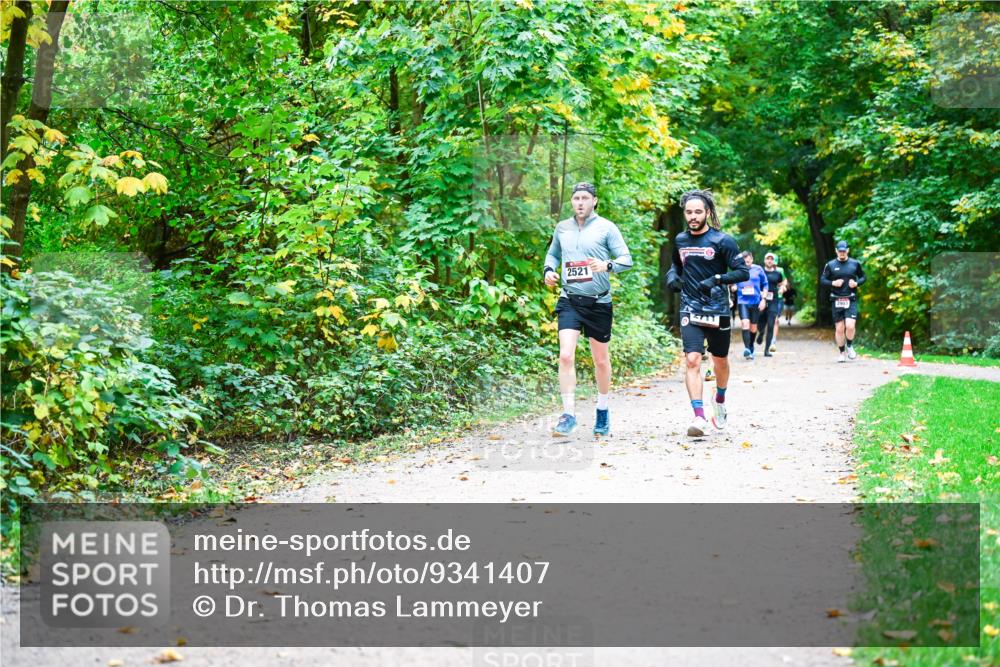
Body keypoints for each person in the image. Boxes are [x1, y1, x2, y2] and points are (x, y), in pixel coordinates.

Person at [544, 182, 633, 436]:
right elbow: (552, 255)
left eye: (584, 198)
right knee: (565, 356)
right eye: (575, 198)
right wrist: (549, 270)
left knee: (601, 361)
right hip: (570, 300)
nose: (579, 202)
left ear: (594, 201)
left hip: (599, 302)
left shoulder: (607, 228)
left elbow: (627, 260)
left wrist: (607, 265)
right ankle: (568, 414)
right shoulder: (563, 228)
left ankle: (602, 411)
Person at [666, 189, 749, 437]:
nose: (693, 216)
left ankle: (720, 398)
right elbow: (676, 265)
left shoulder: (722, 241)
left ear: (707, 213)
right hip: (690, 307)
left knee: (720, 360)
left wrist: (717, 279)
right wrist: (672, 276)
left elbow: (742, 272)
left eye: (698, 212)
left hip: (717, 309)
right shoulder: (681, 240)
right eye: (689, 212)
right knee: (692, 359)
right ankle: (698, 416)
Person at [820, 240, 866, 362]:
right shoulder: (830, 265)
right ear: (836, 251)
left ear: (847, 250)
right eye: (840, 251)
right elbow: (823, 279)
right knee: (839, 329)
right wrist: (833, 283)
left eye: (844, 251)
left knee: (850, 326)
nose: (842, 253)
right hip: (836, 299)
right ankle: (841, 353)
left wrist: (856, 283)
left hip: (850, 298)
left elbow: (863, 277)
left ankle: (849, 345)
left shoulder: (855, 264)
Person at [734, 250, 768, 360]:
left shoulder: (758, 269)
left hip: (755, 302)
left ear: (752, 260)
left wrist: (763, 299)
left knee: (753, 328)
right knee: (745, 323)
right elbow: (733, 281)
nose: (746, 264)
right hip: (742, 301)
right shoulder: (738, 270)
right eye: (744, 262)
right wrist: (733, 286)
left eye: (748, 261)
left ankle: (751, 346)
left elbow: (765, 284)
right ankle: (747, 349)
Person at [757, 252, 787, 357]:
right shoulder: (760, 272)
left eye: (771, 259)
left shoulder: (777, 273)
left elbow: (782, 282)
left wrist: (782, 288)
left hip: (774, 301)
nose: (769, 261)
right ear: (764, 261)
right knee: (760, 322)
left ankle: (767, 350)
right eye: (767, 259)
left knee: (771, 324)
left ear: (773, 261)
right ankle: (760, 333)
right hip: (762, 301)